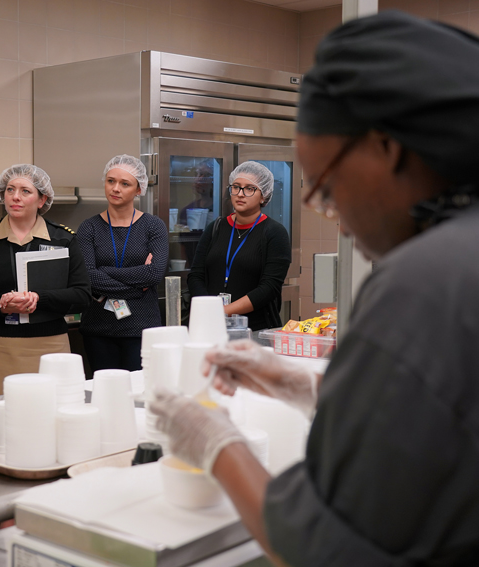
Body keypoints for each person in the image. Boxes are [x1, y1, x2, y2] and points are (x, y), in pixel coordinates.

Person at [152, 11, 479, 566]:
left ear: (387, 148)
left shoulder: (425, 280)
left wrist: (214, 443)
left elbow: (324, 549)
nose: (338, 220)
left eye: (326, 186)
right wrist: (315, 390)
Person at [0, 164, 91, 398]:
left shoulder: (63, 239)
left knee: (48, 417)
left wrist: (40, 298)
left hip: (49, 348)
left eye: (25, 191)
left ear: (42, 200)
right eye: (10, 190)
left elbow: (82, 295)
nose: (15, 197)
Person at [77, 155, 168, 372]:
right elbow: (87, 276)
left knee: (139, 395)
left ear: (139, 189)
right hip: (98, 330)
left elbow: (154, 274)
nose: (115, 188)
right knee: (104, 394)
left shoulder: (153, 226)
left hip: (142, 329)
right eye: (111, 181)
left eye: (124, 183)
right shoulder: (88, 228)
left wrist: (105, 272)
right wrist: (137, 287)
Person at [187, 161, 291, 331]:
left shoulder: (274, 233)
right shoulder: (216, 227)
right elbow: (196, 275)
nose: (240, 194)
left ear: (264, 195)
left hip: (256, 329)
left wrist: (224, 311)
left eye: (250, 189)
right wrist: (209, 309)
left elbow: (269, 288)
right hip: (210, 327)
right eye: (236, 187)